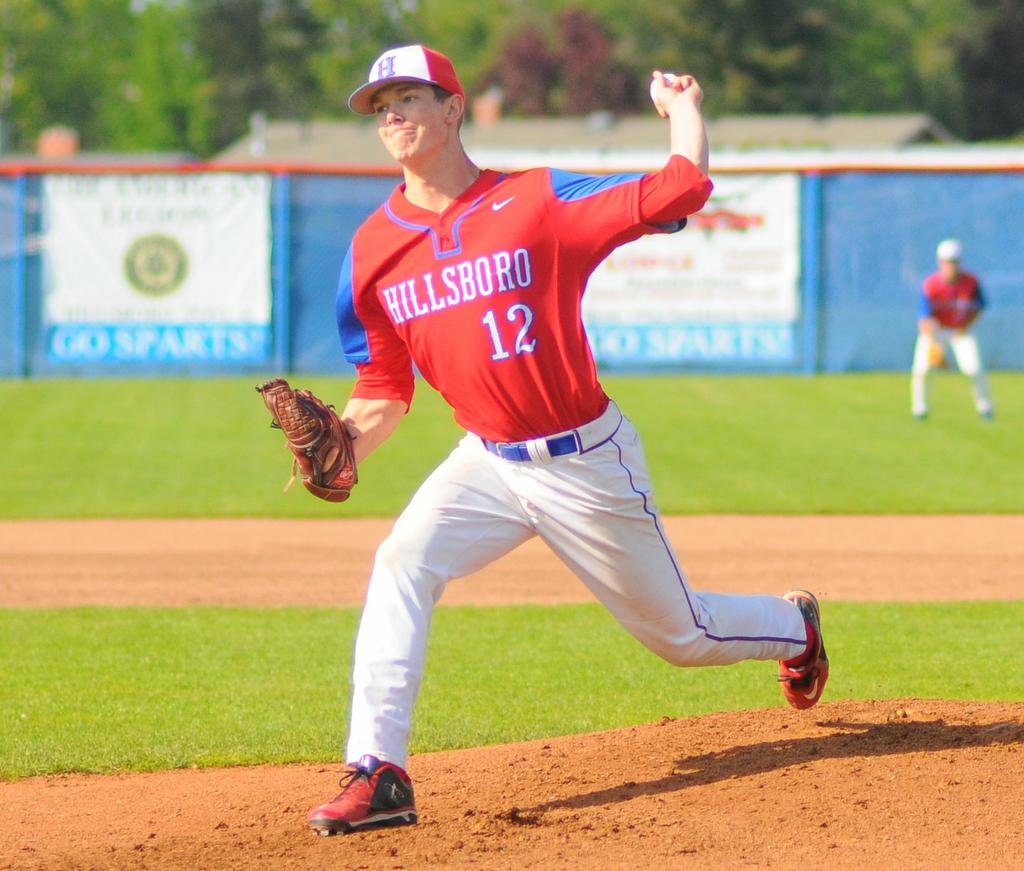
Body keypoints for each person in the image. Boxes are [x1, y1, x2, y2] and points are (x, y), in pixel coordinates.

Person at [306, 44, 829, 836]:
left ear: (453, 109)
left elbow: (679, 189)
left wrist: (683, 109)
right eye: (380, 105)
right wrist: (344, 447)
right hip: (484, 460)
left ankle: (797, 626)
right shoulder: (372, 252)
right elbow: (383, 390)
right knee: (401, 561)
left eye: (409, 97)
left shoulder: (534, 201)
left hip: (584, 460)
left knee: (682, 636)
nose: (391, 115)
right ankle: (378, 770)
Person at [911, 238, 994, 421]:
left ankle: (985, 407)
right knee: (921, 369)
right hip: (936, 331)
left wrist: (965, 327)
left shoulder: (970, 282)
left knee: (973, 368)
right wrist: (937, 348)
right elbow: (924, 320)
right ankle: (919, 408)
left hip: (960, 330)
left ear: (959, 262)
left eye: (954, 261)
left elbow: (980, 307)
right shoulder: (931, 284)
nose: (950, 265)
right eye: (947, 261)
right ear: (940, 262)